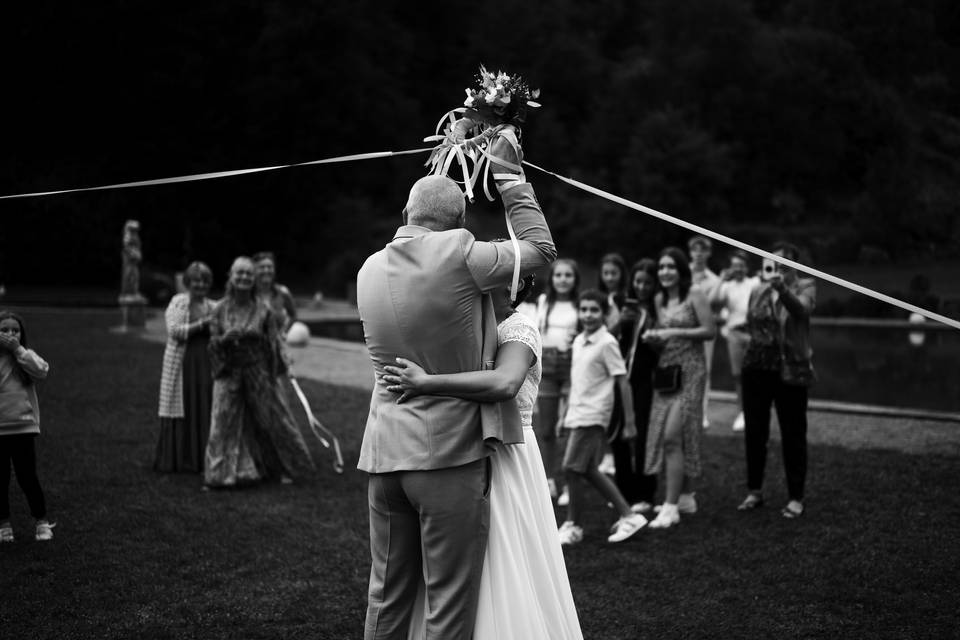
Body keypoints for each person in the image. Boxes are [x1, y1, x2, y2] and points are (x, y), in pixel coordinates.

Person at [356, 130, 556, 639]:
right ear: (458, 225)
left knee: (386, 594)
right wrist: (511, 178)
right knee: (447, 605)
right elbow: (539, 248)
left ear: (406, 212)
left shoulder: (367, 269)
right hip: (446, 456)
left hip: (383, 454)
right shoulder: (460, 253)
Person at [380, 274, 583, 640]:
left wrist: (427, 383)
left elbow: (504, 384)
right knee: (454, 557)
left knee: (502, 553)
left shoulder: (518, 329)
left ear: (513, 289)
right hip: (464, 451)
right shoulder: (471, 328)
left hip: (507, 455)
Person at [204, 257, 314, 488]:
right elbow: (211, 344)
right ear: (231, 277)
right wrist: (224, 340)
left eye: (248, 275)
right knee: (222, 423)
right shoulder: (220, 309)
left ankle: (281, 469)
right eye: (239, 274)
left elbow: (274, 343)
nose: (244, 278)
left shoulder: (263, 310)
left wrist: (272, 365)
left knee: (269, 422)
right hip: (228, 372)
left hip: (258, 372)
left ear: (253, 280)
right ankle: (219, 477)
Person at [556, 289, 647, 545]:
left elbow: (623, 382)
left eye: (594, 310)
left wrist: (629, 422)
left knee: (571, 468)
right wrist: (564, 414)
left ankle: (574, 525)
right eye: (583, 309)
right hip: (577, 412)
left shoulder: (607, 343)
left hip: (594, 415)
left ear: (604, 313)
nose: (588, 315)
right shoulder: (578, 341)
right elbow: (578, 382)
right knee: (585, 469)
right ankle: (627, 515)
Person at [737, 242, 816, 519]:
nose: (777, 265)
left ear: (795, 265)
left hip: (789, 370)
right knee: (755, 431)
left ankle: (796, 497)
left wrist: (782, 289)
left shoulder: (805, 287)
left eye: (783, 261)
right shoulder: (758, 290)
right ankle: (754, 491)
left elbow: (801, 312)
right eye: (772, 261)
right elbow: (751, 323)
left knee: (793, 432)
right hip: (756, 367)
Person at [643, 247, 716, 529]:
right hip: (667, 371)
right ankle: (685, 497)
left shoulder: (694, 293)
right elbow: (663, 338)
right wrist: (654, 339)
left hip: (692, 371)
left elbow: (709, 330)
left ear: (681, 270)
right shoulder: (660, 298)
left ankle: (670, 507)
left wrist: (673, 332)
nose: (665, 272)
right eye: (661, 267)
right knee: (674, 435)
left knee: (673, 436)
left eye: (670, 266)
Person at [608, 259, 660, 513]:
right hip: (619, 376)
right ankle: (624, 490)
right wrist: (621, 322)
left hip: (645, 378)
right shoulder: (620, 303)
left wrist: (650, 326)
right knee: (617, 433)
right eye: (638, 281)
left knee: (641, 434)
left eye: (647, 283)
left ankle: (646, 493)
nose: (641, 287)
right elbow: (606, 335)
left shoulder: (657, 307)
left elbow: (660, 344)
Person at [155, 261, 215, 473]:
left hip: (206, 363)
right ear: (188, 282)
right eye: (196, 280)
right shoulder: (180, 302)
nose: (200, 285)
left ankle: (202, 457)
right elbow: (174, 330)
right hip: (183, 363)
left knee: (203, 404)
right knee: (184, 404)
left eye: (205, 281)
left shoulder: (212, 305)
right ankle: (182, 460)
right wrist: (202, 325)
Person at [0, 311, 54, 542]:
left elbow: (42, 370)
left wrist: (17, 350)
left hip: (23, 428)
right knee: (0, 479)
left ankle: (41, 521)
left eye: (15, 330)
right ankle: (3, 524)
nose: (11, 334)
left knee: (27, 477)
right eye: (4, 330)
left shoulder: (25, 356)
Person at [533, 258, 581, 504]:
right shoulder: (543, 302)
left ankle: (572, 482)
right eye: (558, 275)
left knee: (573, 426)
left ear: (575, 279)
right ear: (552, 278)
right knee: (547, 428)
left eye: (568, 275)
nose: (563, 279)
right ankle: (549, 479)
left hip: (574, 366)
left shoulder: (580, 305)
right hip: (548, 366)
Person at [708, 250, 759, 432]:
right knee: (739, 376)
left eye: (741, 265)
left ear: (747, 267)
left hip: (754, 334)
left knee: (756, 374)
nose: (738, 269)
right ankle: (742, 412)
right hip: (735, 334)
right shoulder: (727, 287)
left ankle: (757, 411)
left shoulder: (754, 283)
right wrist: (721, 278)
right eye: (735, 265)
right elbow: (711, 300)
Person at [688, 235, 719, 428]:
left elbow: (714, 306)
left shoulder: (715, 280)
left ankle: (702, 413)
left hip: (705, 331)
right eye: (695, 250)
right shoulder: (683, 273)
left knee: (704, 370)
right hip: (685, 328)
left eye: (702, 250)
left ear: (708, 253)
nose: (698, 254)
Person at [252, 251, 297, 335]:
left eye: (270, 267)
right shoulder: (248, 293)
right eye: (262, 267)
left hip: (275, 346)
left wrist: (284, 332)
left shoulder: (283, 292)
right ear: (254, 270)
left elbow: (293, 315)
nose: (266, 270)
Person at [598, 252, 628, 333]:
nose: (609, 278)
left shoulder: (627, 298)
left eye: (614, 273)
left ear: (622, 274)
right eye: (606, 273)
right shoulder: (598, 297)